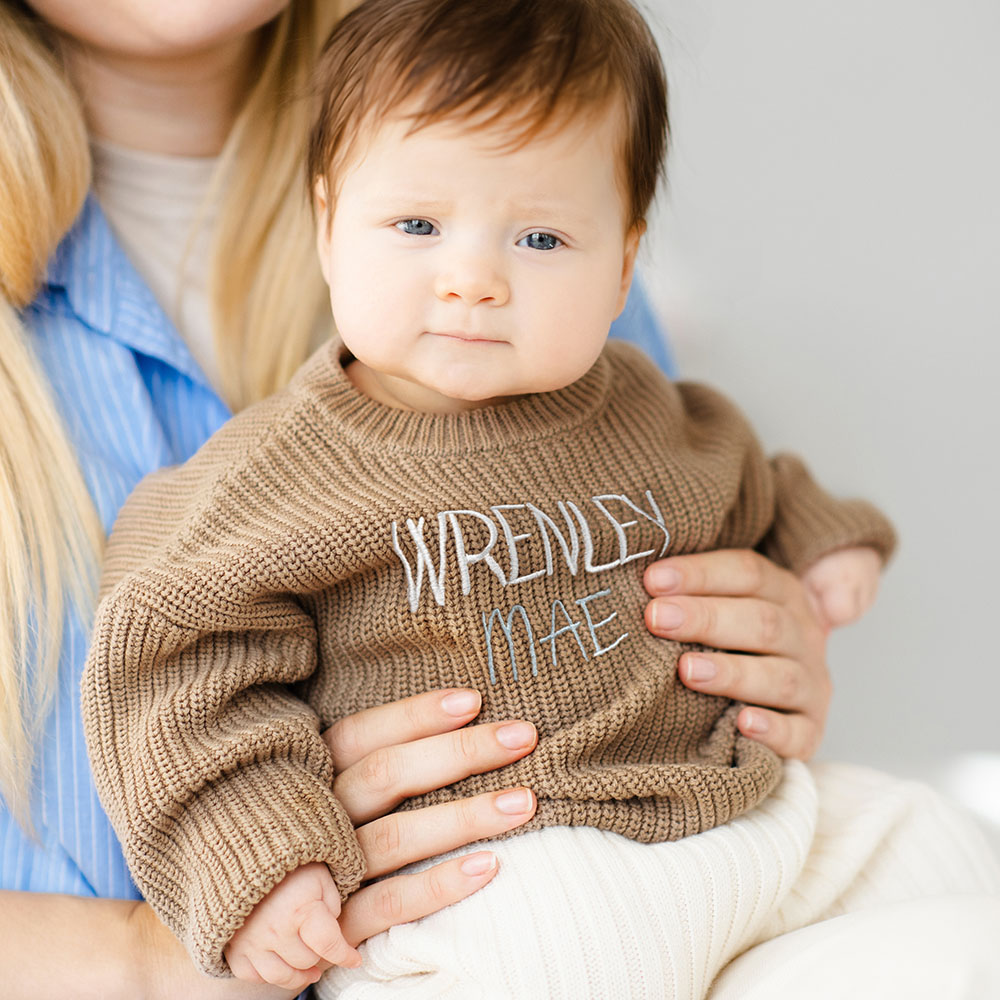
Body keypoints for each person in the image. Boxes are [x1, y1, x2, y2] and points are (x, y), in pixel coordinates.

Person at [81, 1, 1000, 998]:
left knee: (944, 852)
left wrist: (822, 554)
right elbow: (173, 671)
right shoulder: (268, 481)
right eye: (418, 225)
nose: (473, 278)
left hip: (735, 811)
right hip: (506, 859)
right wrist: (265, 856)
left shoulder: (648, 404)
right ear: (328, 223)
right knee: (557, 960)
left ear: (622, 266)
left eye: (543, 239)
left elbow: (744, 476)